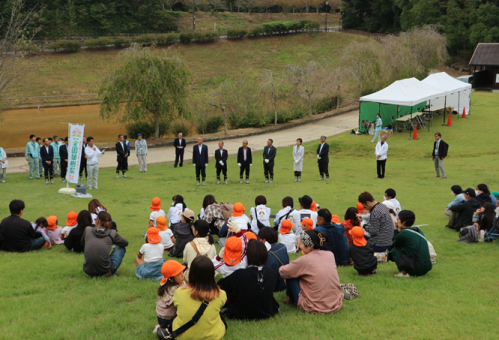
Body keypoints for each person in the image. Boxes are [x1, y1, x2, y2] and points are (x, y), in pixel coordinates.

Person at [279, 230, 342, 313]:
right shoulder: (330, 254)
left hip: (313, 306)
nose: (298, 245)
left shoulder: (305, 260)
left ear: (309, 247)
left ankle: (291, 300)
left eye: (300, 243)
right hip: (336, 303)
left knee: (291, 275)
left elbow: (283, 272)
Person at [218, 239, 280, 320]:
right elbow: (277, 287)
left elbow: (221, 286)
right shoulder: (272, 273)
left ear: (248, 256)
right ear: (265, 255)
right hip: (268, 311)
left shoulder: (239, 274)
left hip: (241, 313)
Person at [172, 256, 227, 340]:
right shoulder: (221, 294)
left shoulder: (179, 293)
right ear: (212, 274)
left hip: (183, 336)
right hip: (212, 337)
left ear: (191, 273)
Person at [82, 211, 128, 277]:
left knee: (87, 244)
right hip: (105, 270)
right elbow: (125, 243)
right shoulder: (112, 233)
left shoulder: (87, 229)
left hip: (88, 270)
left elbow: (82, 243)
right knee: (121, 247)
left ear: (97, 221)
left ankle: (93, 270)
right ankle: (108, 272)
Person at [388, 210, 432, 277]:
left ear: (404, 221)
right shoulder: (418, 230)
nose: (397, 220)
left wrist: (396, 230)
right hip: (427, 267)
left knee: (394, 251)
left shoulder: (404, 234)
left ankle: (405, 273)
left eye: (399, 219)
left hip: (417, 269)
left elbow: (394, 244)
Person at [156, 261, 186, 331]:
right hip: (168, 319)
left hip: (161, 317)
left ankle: (161, 327)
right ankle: (163, 329)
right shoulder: (175, 290)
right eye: (179, 274)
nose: (183, 275)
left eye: (182, 272)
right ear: (171, 279)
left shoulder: (167, 284)